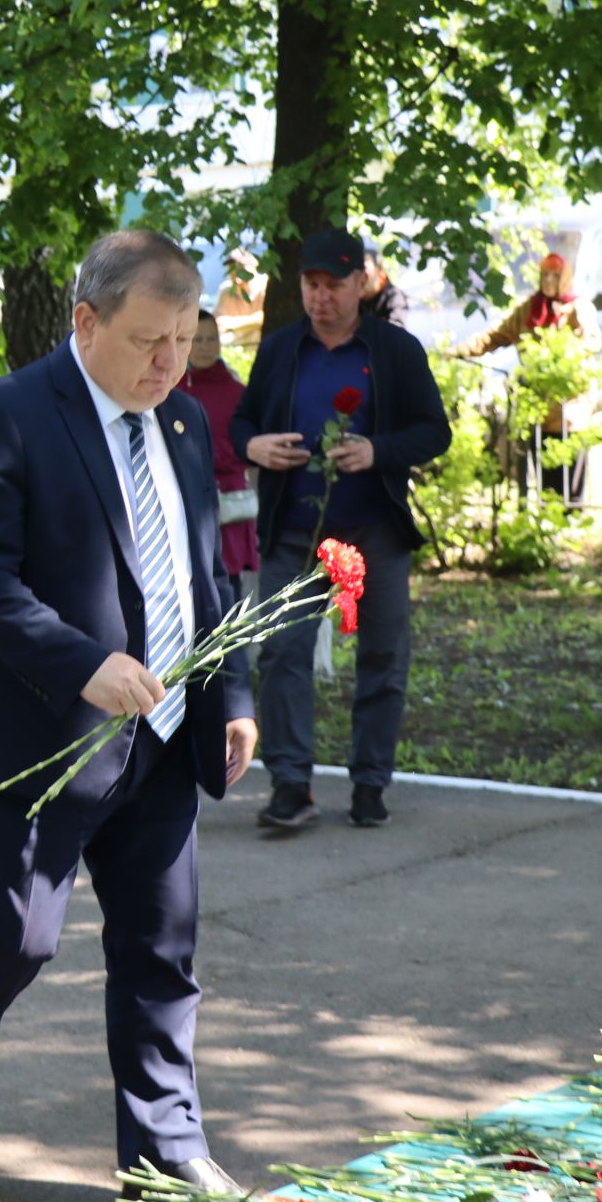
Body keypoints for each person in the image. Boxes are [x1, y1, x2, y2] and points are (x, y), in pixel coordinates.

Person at [0, 230, 257, 1201]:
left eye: (183, 340)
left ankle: (163, 1144)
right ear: (86, 322)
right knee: (8, 941)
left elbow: (206, 576)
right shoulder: (5, 414)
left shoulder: (182, 428)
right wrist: (83, 663)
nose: (169, 363)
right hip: (36, 737)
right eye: (148, 340)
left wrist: (235, 693)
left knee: (162, 944)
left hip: (167, 734)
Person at [233, 226, 451, 832]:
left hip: (373, 528)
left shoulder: (394, 351)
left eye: (334, 285)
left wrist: (376, 451)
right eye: (311, 284)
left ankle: (370, 782)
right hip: (294, 530)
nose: (321, 297)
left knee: (382, 654)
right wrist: (255, 445)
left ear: (363, 283)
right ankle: (291, 784)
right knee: (281, 653)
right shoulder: (280, 350)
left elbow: (435, 432)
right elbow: (243, 420)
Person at [450, 252, 602, 497]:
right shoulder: (530, 309)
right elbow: (496, 335)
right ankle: (543, 522)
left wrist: (556, 359)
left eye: (555, 275)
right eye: (544, 274)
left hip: (568, 406)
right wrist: (460, 350)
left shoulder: (578, 307)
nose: (548, 280)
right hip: (535, 406)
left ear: (564, 277)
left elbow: (591, 342)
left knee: (568, 478)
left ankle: (569, 521)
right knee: (543, 477)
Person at [175, 308, 257, 606]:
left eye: (212, 339)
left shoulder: (238, 392)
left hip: (227, 504)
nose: (206, 346)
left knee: (227, 593)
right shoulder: (169, 389)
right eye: (198, 339)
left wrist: (204, 456)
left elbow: (248, 448)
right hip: (183, 498)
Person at [359, 243, 408, 327]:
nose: (360, 276)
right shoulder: (356, 298)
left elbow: (396, 330)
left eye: (365, 269)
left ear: (379, 271)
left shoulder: (394, 296)